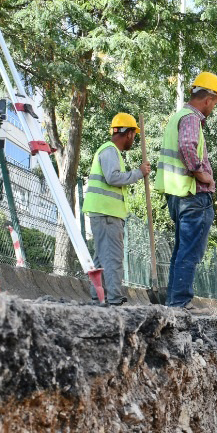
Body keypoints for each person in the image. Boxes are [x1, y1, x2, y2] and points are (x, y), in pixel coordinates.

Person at [159, 72, 217, 308]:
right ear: (208, 99)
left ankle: (174, 301)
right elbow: (187, 145)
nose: (214, 108)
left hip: (178, 194)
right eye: (215, 103)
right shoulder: (191, 118)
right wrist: (202, 174)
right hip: (192, 194)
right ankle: (179, 303)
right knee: (189, 253)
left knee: (181, 251)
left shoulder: (177, 117)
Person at [85, 112, 150, 306]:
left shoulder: (109, 151)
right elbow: (112, 177)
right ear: (128, 133)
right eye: (134, 135)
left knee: (101, 258)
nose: (134, 139)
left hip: (103, 212)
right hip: (107, 214)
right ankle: (113, 299)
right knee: (112, 256)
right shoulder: (110, 151)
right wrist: (139, 173)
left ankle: (98, 297)